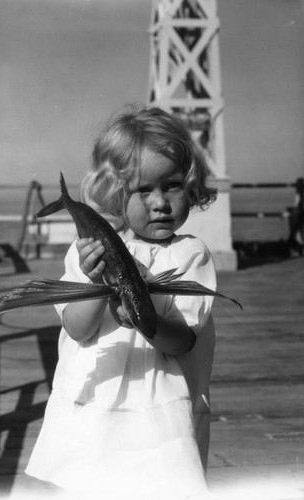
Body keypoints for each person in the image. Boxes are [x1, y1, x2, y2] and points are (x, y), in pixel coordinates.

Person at [26, 104, 218, 500]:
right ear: (116, 194)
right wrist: (95, 283)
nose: (160, 202)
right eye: (143, 189)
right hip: (94, 402)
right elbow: (77, 329)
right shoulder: (91, 249)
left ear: (192, 187)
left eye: (173, 185)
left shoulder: (190, 255)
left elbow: (182, 340)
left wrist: (141, 315)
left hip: (156, 410)